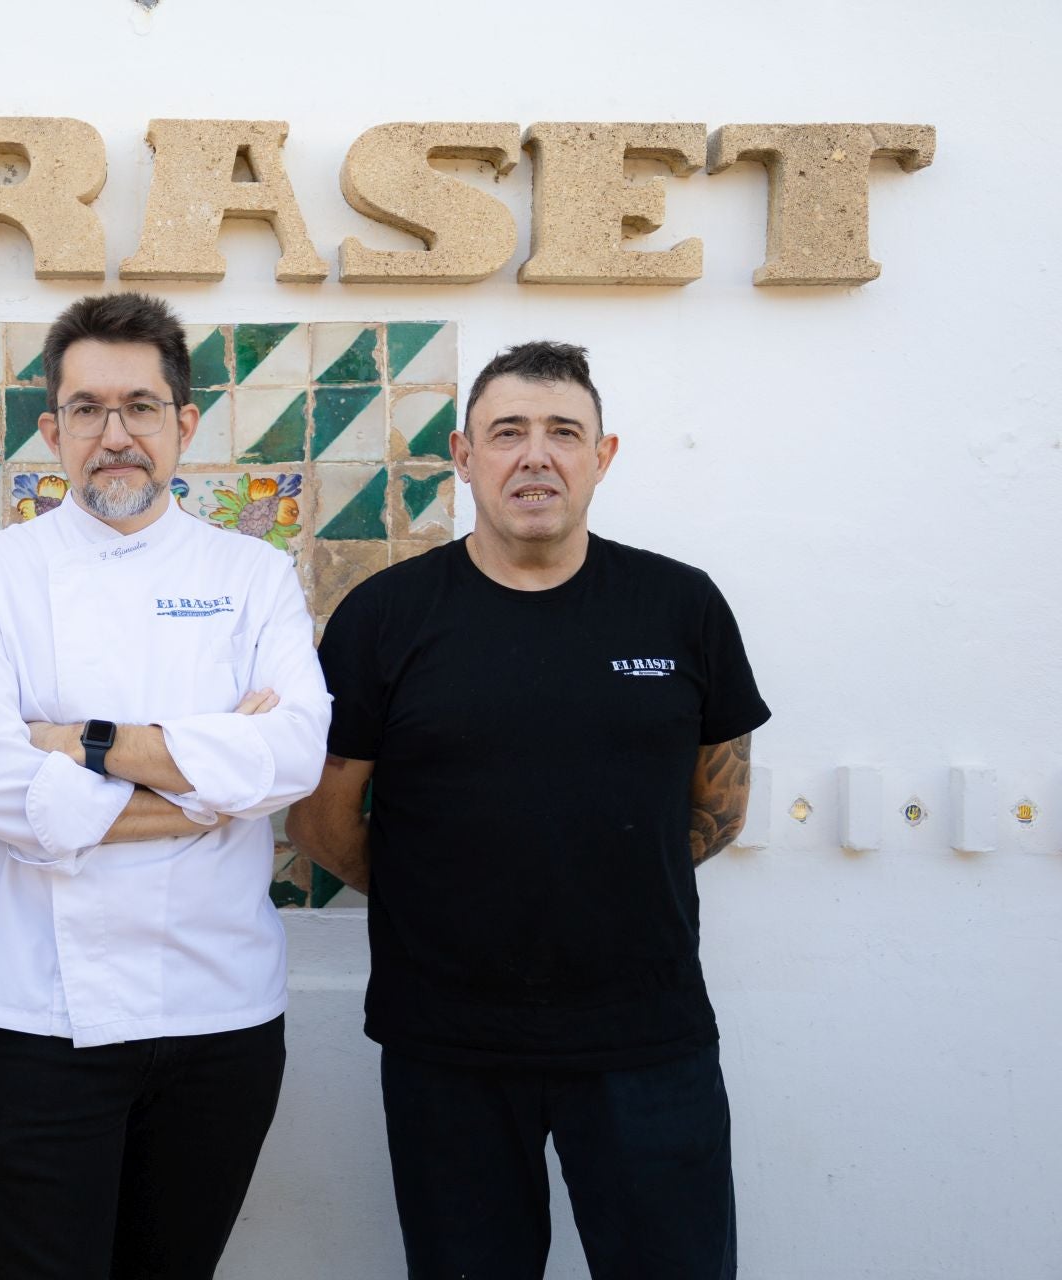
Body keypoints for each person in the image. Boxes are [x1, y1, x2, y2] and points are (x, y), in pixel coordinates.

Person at [287, 341, 768, 1279]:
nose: (535, 456)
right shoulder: (386, 617)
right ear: (465, 457)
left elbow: (721, 800)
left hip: (647, 1037)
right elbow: (320, 818)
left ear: (605, 454)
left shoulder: (681, 605)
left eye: (563, 433)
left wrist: (603, 880)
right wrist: (444, 892)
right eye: (508, 432)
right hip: (448, 1044)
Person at [0, 293, 330, 1279]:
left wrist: (81, 742)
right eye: (89, 409)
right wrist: (206, 787)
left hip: (220, 1014)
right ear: (52, 428)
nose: (117, 435)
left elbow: (294, 755)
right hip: (38, 1014)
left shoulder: (255, 573)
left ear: (184, 426)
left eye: (142, 407)